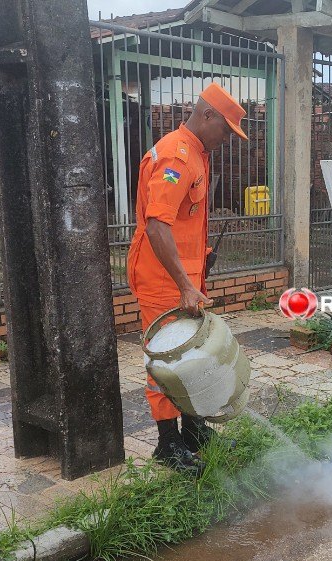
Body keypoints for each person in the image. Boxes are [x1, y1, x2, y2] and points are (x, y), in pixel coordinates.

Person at [127, 82, 248, 474]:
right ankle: (167, 443)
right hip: (163, 278)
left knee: (193, 353)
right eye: (226, 130)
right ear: (207, 115)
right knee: (167, 357)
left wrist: (199, 266)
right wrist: (183, 283)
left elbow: (183, 222)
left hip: (184, 275)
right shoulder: (177, 157)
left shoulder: (197, 152)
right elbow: (157, 224)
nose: (227, 139)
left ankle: (194, 431)